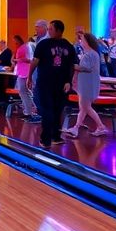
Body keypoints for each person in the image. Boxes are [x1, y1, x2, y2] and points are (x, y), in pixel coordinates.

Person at [27, 20, 76, 148]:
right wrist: (30, 76)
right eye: (48, 29)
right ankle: (54, 137)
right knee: (54, 110)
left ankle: (48, 139)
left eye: (51, 29)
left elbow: (71, 66)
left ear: (59, 31)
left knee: (51, 110)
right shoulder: (66, 45)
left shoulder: (47, 44)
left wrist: (68, 81)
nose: (49, 31)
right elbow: (71, 66)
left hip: (50, 83)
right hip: (50, 83)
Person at [65, 32, 109, 138]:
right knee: (83, 107)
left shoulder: (90, 54)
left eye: (83, 40)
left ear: (87, 41)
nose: (81, 42)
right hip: (86, 83)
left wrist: (74, 66)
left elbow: (87, 68)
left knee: (85, 107)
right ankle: (76, 128)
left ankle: (101, 126)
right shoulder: (91, 53)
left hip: (87, 84)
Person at [12, 35, 40, 122]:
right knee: (23, 92)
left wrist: (18, 60)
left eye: (15, 41)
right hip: (21, 71)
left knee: (24, 91)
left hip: (25, 71)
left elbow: (29, 59)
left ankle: (30, 111)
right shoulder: (20, 48)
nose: (15, 43)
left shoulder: (26, 47)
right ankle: (28, 111)